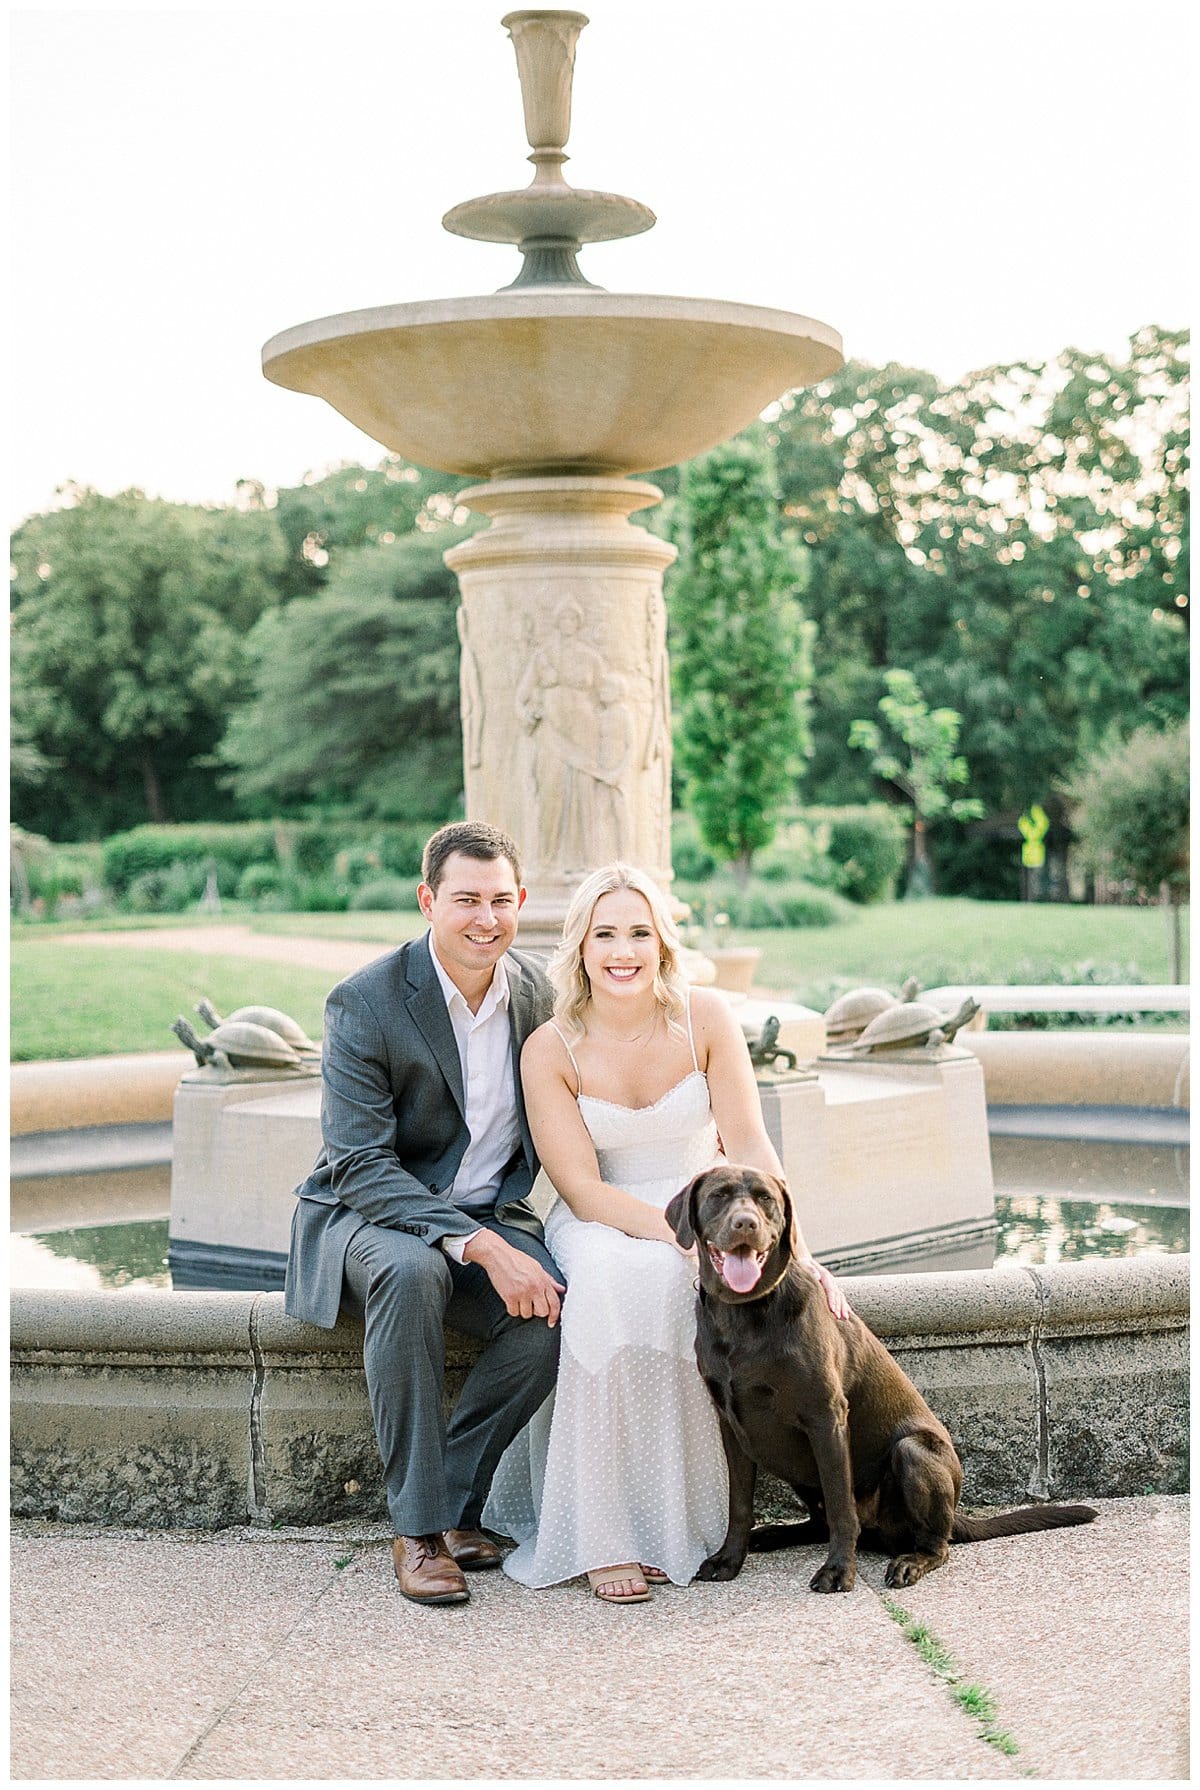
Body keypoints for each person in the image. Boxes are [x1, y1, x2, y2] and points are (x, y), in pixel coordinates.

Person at [483, 862, 848, 1604]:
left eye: (639, 933)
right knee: (622, 1283)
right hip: (605, 1218)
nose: (623, 950)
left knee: (686, 1286)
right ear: (580, 947)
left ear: (663, 944)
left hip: (710, 1202)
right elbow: (581, 1188)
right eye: (605, 933)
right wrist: (686, 1238)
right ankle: (604, 1535)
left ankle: (685, 1521)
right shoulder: (551, 1047)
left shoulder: (706, 1018)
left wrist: (798, 1254)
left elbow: (749, 1144)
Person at [284, 821, 565, 1608]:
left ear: (521, 904)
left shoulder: (541, 994)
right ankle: (416, 1532)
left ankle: (453, 1509)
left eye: (500, 901)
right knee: (411, 1272)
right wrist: (476, 1244)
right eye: (466, 899)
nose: (485, 919)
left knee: (549, 1307)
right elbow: (360, 1164)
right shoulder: (367, 1002)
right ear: (427, 901)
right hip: (363, 1216)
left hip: (485, 1208)